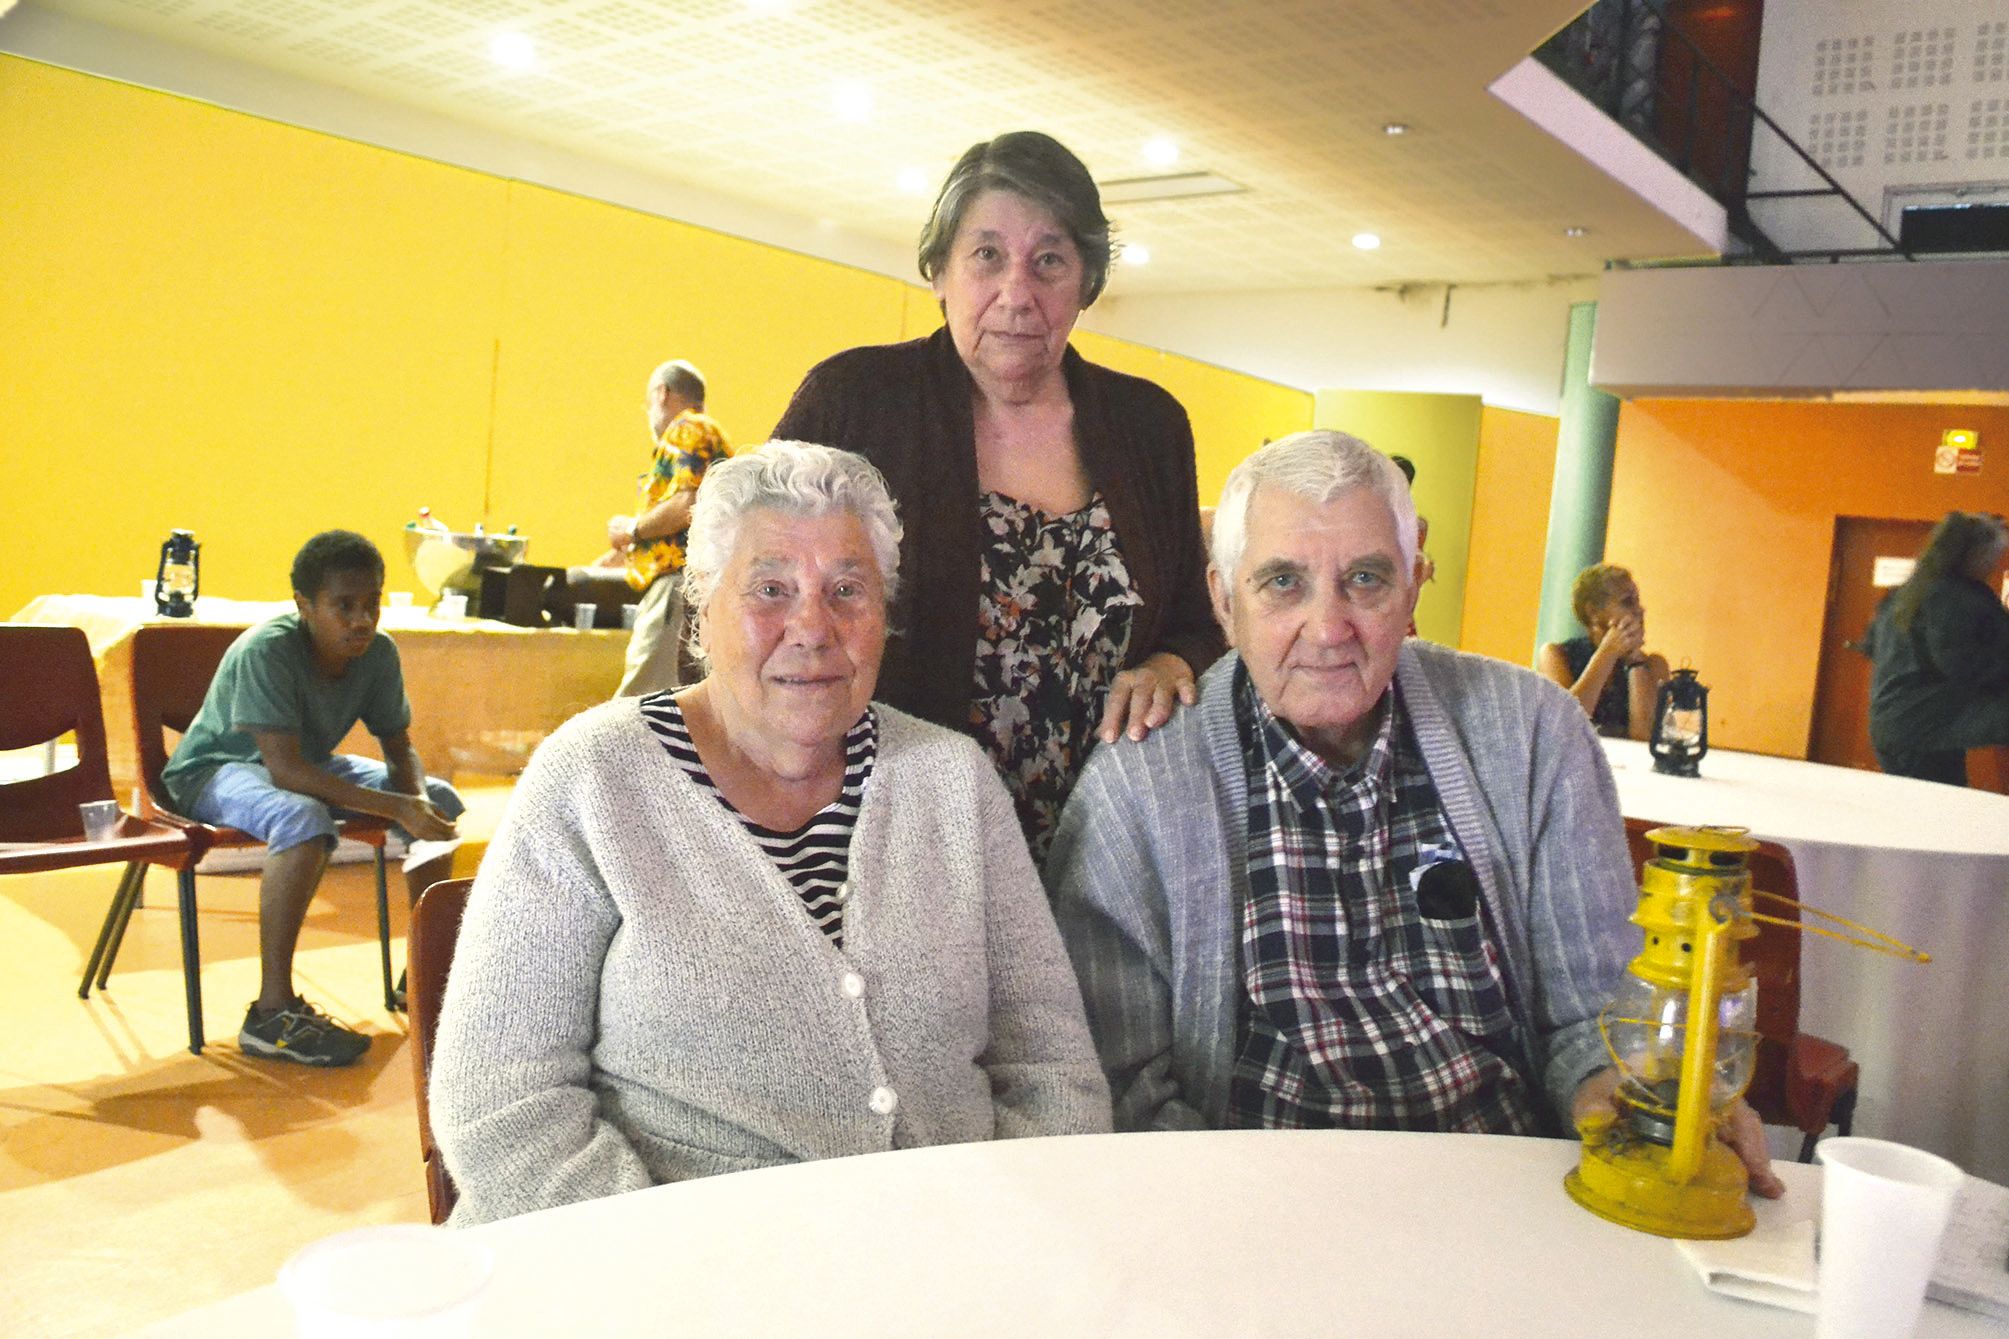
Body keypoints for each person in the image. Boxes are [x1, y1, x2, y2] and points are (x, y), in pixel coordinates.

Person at [1046, 431, 1781, 1197]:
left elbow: (1591, 1017)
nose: (1329, 628)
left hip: (1503, 1196)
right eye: (1283, 583)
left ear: (1413, 588)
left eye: (1365, 579)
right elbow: (1122, 1086)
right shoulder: (1141, 784)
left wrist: (1619, 1093)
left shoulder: (1532, 733)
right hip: (1256, 1205)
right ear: (1223, 602)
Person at [429, 441, 1111, 1226]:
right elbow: (501, 1106)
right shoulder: (592, 779)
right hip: (666, 1284)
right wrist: (684, 1283)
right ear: (703, 606)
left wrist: (995, 1239)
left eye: (847, 589)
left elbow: (1052, 1067)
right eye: (770, 588)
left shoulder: (952, 779)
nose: (811, 626)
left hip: (947, 1265)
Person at [773, 131, 1220, 861]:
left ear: (1086, 282)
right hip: (885, 844)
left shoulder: (1149, 426)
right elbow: (739, 589)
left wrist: (1170, 663)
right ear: (939, 270)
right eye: (986, 255)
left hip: (1099, 857)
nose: (1018, 293)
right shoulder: (855, 401)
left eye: (1049, 260)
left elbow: (1196, 621)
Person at [161, 530, 462, 1067]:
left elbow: (400, 747)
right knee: (302, 817)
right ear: (304, 606)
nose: (361, 620)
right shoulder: (268, 650)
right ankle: (270, 1013)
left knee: (438, 794)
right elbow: (284, 768)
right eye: (343, 606)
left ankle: (422, 975)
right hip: (212, 773)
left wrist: (415, 800)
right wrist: (396, 808)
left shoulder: (378, 652)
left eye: (372, 604)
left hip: (303, 766)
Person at [606, 359, 731, 696]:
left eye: (648, 402)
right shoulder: (702, 434)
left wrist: (632, 530)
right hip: (690, 583)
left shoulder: (687, 428)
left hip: (675, 586)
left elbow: (689, 504)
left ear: (662, 393)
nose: (649, 412)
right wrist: (629, 551)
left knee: (637, 700)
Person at [1866, 510, 2009, 786]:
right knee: (1937, 815)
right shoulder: (1957, 598)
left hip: (1894, 725)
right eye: (1994, 555)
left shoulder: (1907, 593)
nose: (1994, 564)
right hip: (1926, 730)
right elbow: (1963, 664)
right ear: (1974, 555)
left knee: (1923, 810)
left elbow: (1873, 646)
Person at [1538, 563, 1670, 740]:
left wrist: (1635, 662)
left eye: (1638, 601)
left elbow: (1644, 738)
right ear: (1593, 611)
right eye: (1627, 602)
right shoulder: (1556, 654)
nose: (1639, 610)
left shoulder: (1654, 665)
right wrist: (1607, 653)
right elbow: (1567, 724)